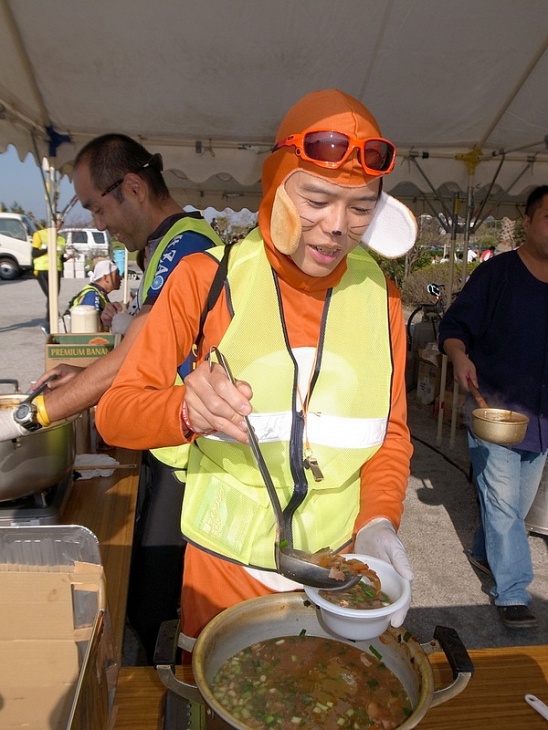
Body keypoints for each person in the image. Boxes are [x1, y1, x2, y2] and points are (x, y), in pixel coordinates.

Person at [96, 89, 416, 641]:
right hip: (222, 574)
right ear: (276, 185)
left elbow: (388, 432)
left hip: (336, 575)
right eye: (316, 200)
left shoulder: (381, 295)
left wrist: (380, 519)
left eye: (362, 207)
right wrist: (187, 411)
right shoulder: (203, 279)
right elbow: (116, 415)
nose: (338, 226)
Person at [0, 133, 223, 662]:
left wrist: (37, 415)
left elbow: (138, 350)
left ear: (133, 187)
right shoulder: (165, 245)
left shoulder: (188, 244)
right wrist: (83, 370)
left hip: (188, 452)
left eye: (99, 208)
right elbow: (147, 346)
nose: (98, 224)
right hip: (170, 443)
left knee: (153, 605)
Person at [439, 185, 548, 629]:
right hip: (493, 412)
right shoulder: (497, 274)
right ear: (528, 220)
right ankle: (514, 592)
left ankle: (485, 552)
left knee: (514, 507)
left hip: (541, 419)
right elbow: (454, 326)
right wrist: (460, 356)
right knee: (503, 504)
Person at [67, 259, 122, 331]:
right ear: (106, 278)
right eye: (117, 274)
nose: (120, 278)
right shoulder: (92, 295)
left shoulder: (98, 293)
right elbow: (89, 327)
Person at [31, 219, 68, 326]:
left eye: (60, 224)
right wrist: (48, 248)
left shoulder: (61, 239)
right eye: (56, 223)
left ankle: (50, 320)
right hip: (42, 269)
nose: (58, 226)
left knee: (54, 296)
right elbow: (34, 253)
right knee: (51, 295)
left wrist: (67, 258)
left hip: (56, 269)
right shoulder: (39, 234)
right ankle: (53, 319)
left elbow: (60, 257)